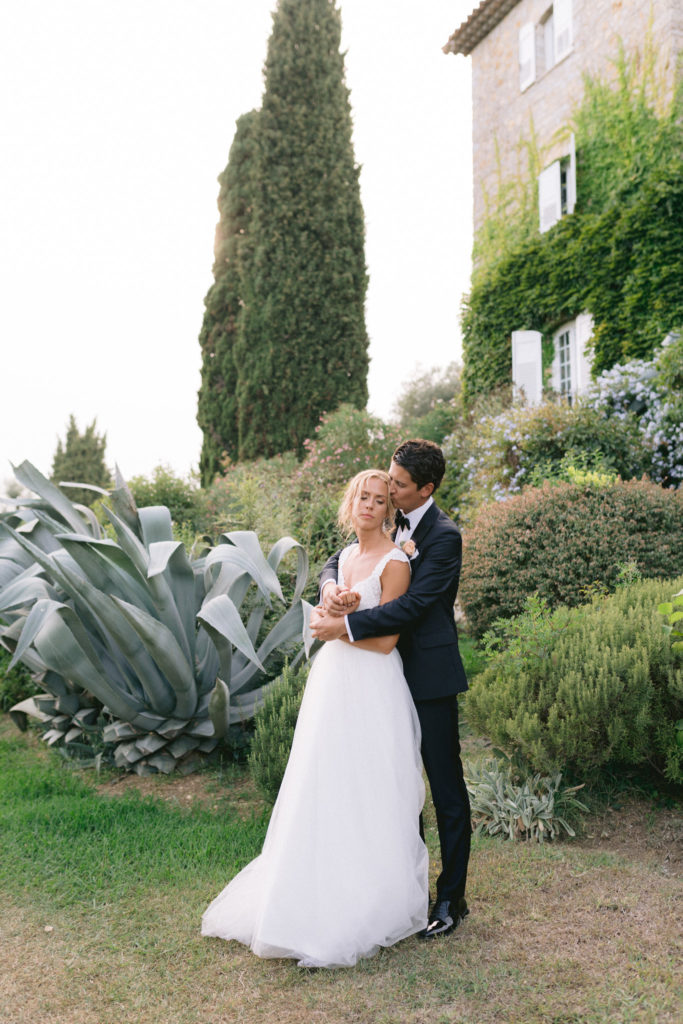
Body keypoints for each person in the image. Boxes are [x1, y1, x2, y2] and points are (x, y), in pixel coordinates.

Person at [201, 469, 429, 968]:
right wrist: (333, 610)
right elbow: (334, 602)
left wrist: (335, 627)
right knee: (323, 777)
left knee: (369, 783)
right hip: (333, 683)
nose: (369, 506)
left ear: (389, 509)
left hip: (374, 683)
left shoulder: (395, 564)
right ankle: (311, 883)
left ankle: (368, 891)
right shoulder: (344, 559)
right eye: (361, 498)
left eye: (377, 499)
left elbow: (386, 640)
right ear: (350, 505)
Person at [312, 439, 471, 939]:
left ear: (425, 488)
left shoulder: (444, 537)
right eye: (389, 479)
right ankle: (405, 890)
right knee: (392, 786)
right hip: (375, 678)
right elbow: (340, 559)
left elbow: (415, 606)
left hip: (426, 675)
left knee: (443, 787)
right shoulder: (388, 521)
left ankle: (451, 900)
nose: (389, 489)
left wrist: (345, 628)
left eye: (399, 485)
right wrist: (330, 586)